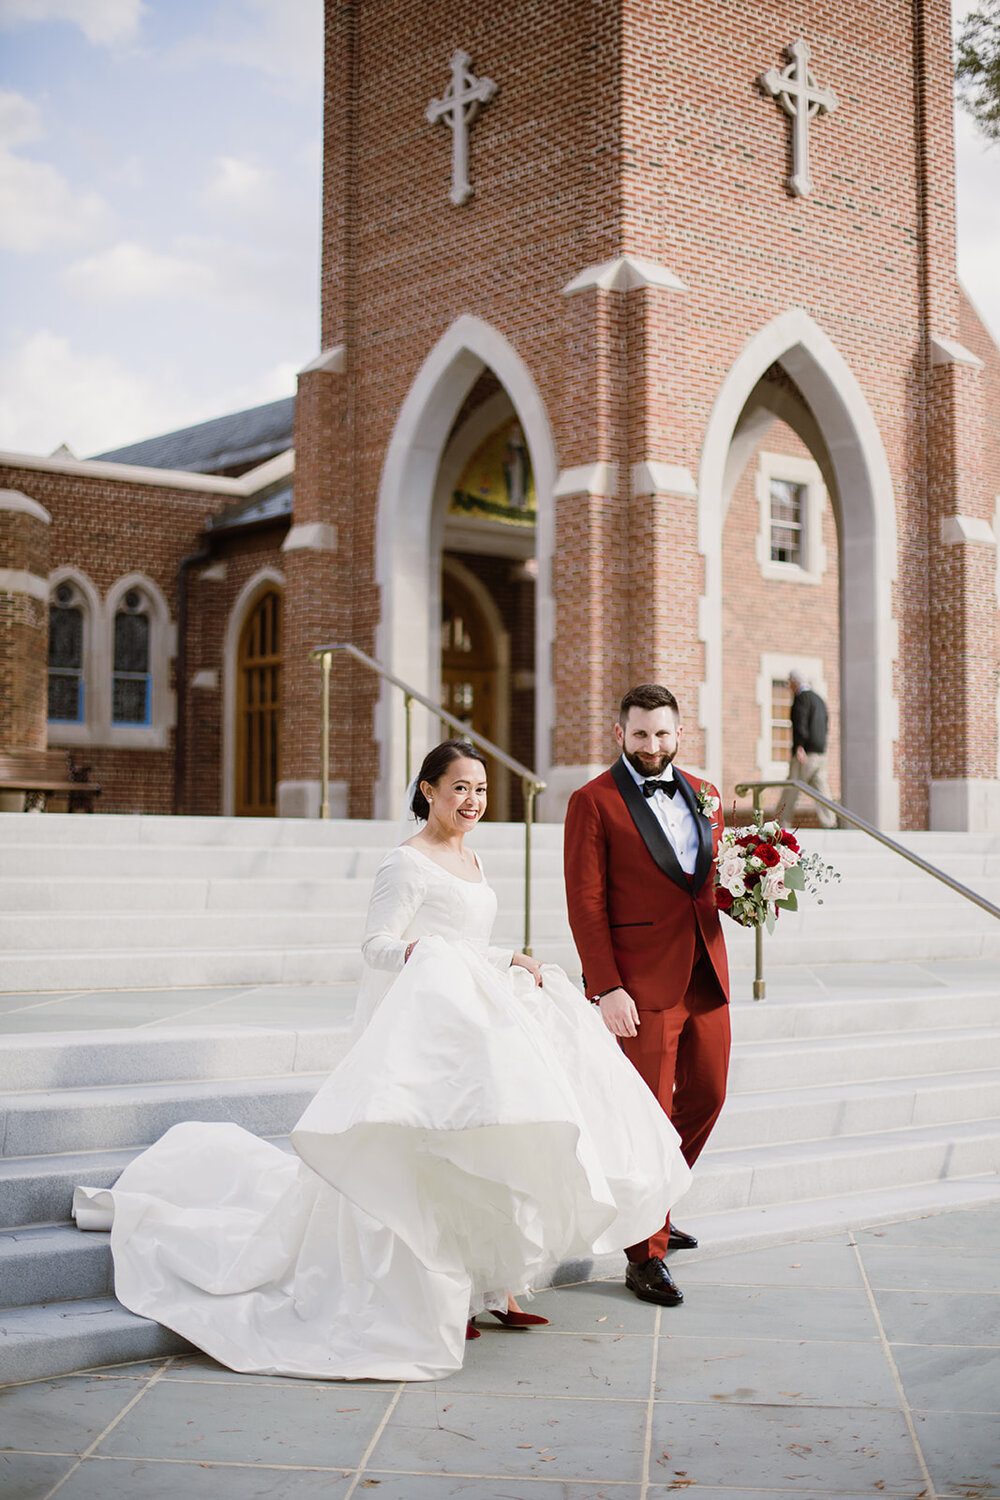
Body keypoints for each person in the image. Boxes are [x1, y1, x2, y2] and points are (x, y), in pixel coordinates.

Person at [74, 739, 690, 1382]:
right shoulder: (406, 862)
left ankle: (488, 1282)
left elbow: (469, 939)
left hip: (478, 1022)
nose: (472, 801)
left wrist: (509, 959)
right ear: (427, 790)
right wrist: (439, 957)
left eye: (480, 790)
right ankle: (436, 1287)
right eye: (459, 788)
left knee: (486, 1146)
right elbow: (376, 947)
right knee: (429, 1151)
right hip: (428, 1028)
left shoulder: (473, 858)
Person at [563, 685, 731, 1310]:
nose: (652, 746)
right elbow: (586, 901)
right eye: (640, 735)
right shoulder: (592, 802)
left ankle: (652, 1203)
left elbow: (709, 881)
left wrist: (753, 888)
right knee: (648, 1115)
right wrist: (605, 985)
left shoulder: (707, 795)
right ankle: (644, 1253)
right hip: (638, 984)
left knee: (709, 1094)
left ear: (678, 734)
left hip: (704, 973)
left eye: (663, 735)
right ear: (619, 733)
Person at [774, 671, 837, 829]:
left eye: (790, 682)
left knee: (792, 787)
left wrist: (799, 746)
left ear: (796, 682)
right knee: (822, 790)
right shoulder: (819, 699)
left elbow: (800, 723)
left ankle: (780, 823)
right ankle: (830, 822)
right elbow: (825, 724)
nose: (788, 686)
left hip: (806, 753)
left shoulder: (801, 698)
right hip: (820, 753)